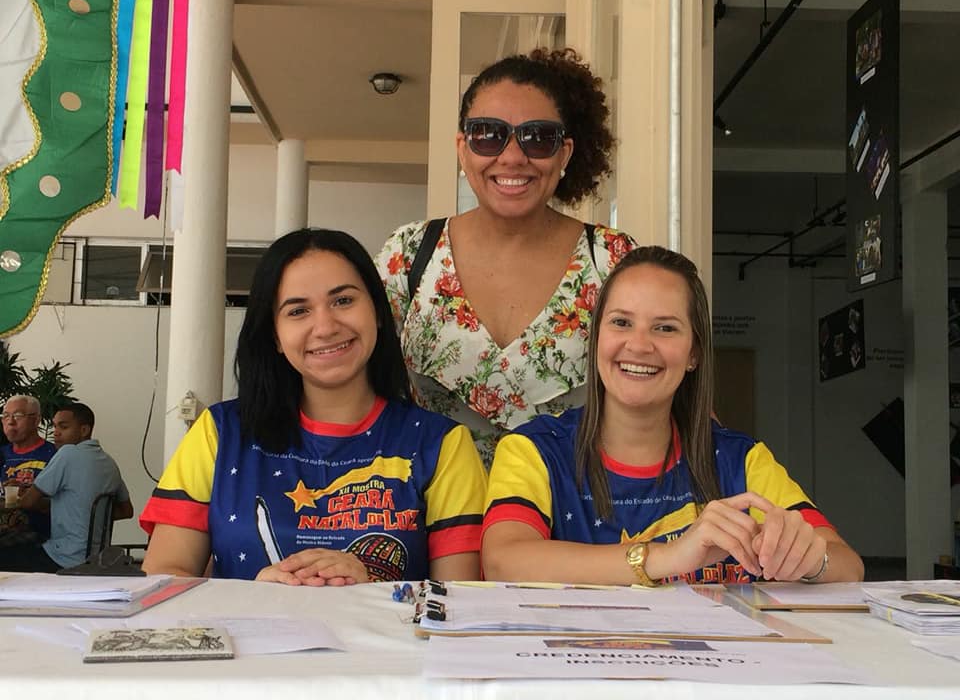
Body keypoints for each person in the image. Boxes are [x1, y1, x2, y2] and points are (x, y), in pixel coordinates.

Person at [482, 246, 864, 585]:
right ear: (596, 337)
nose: (639, 345)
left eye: (665, 328)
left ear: (694, 353)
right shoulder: (533, 450)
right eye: (621, 322)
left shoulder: (742, 461)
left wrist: (808, 559)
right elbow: (503, 561)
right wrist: (669, 556)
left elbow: (848, 566)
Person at [140, 229, 487, 585]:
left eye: (343, 301)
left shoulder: (442, 445)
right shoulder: (219, 432)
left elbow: (458, 599)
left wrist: (369, 589)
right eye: (298, 310)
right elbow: (162, 577)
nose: (325, 327)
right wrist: (254, 596)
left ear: (378, 313)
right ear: (275, 335)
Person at [376, 48, 638, 466]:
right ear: (463, 148)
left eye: (538, 138)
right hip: (432, 504)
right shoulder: (408, 255)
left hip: (574, 505)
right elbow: (357, 384)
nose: (513, 157)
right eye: (488, 134)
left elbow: (669, 392)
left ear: (565, 153)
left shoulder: (611, 260)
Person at [0, 402, 133, 572]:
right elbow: (126, 511)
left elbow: (28, 503)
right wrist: (84, 514)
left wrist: (20, 494)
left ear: (84, 430)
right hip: (97, 557)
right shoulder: (109, 462)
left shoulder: (68, 453)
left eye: (63, 427)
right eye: (54, 426)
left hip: (63, 556)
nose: (55, 432)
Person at [1, 394, 56, 544]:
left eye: (18, 415)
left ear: (36, 420)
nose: (10, 422)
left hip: (41, 538)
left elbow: (66, 503)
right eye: (5, 416)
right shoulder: (2, 454)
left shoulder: (55, 455)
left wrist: (30, 495)